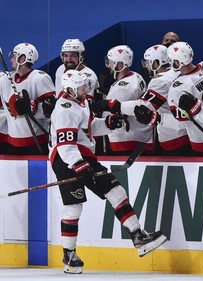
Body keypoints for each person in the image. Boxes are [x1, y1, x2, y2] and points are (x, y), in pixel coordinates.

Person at [49, 69, 166, 274]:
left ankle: (138, 236)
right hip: (65, 159)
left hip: (83, 155)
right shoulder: (64, 109)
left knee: (116, 191)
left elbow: (88, 127)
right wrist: (78, 164)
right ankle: (69, 254)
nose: (86, 89)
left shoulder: (80, 102)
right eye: (81, 87)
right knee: (74, 206)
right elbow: (66, 144)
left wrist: (108, 124)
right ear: (70, 90)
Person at [96, 44, 191, 156]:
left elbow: (144, 106)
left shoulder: (160, 80)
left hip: (173, 135)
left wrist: (111, 105)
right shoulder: (174, 72)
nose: (146, 66)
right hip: (185, 129)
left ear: (156, 63)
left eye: (148, 63)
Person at [134, 41, 203, 156]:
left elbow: (182, 118)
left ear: (177, 62)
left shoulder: (178, 86)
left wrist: (156, 119)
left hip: (201, 139)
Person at [0, 43, 55, 155]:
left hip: (37, 143)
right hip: (12, 144)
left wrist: (32, 107)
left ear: (22, 58)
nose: (11, 60)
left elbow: (52, 109)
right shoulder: (5, 80)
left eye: (14, 56)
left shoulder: (40, 78)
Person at [101, 45, 154, 155]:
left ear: (119, 65)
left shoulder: (123, 87)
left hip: (126, 141)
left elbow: (115, 112)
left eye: (111, 62)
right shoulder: (136, 76)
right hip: (140, 137)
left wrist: (99, 106)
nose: (108, 66)